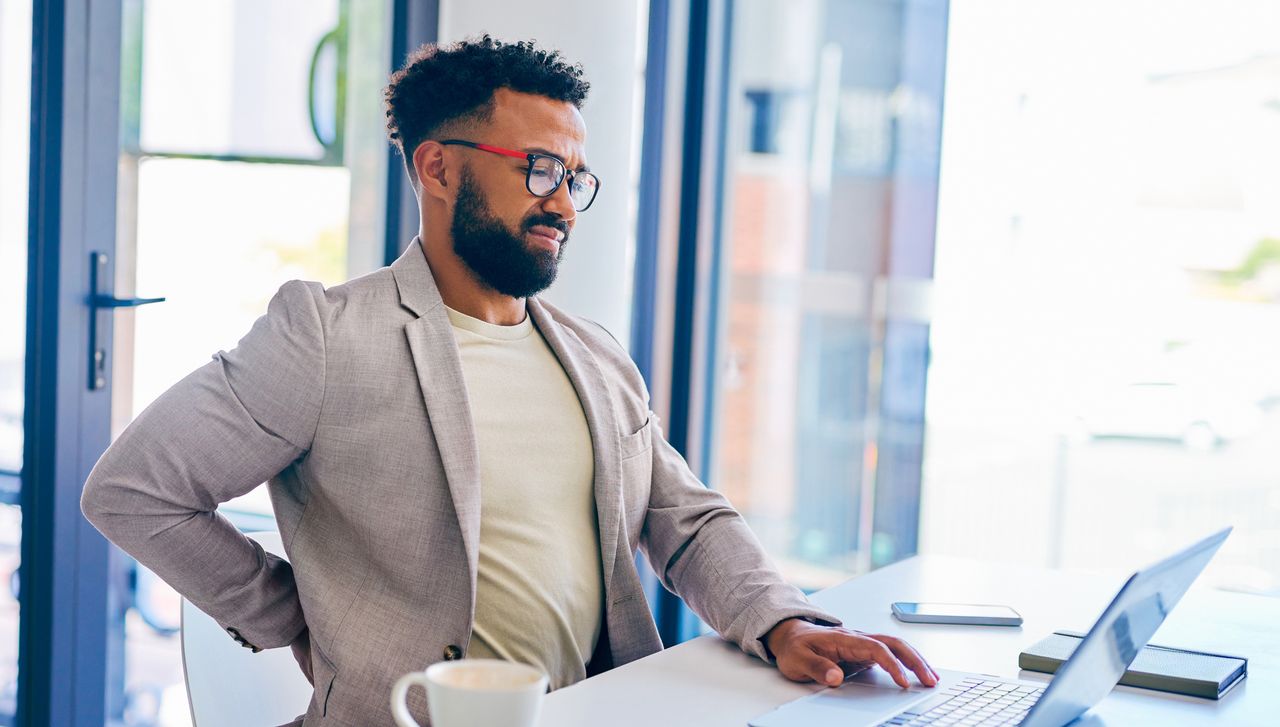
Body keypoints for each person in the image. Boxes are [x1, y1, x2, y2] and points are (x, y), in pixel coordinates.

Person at [81, 36, 937, 725]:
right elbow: (134, 489)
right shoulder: (326, 335)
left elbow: (687, 521)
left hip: (604, 710)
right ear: (437, 168)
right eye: (537, 168)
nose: (563, 201)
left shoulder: (597, 356)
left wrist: (788, 624)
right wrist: (302, 614)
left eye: (574, 176)